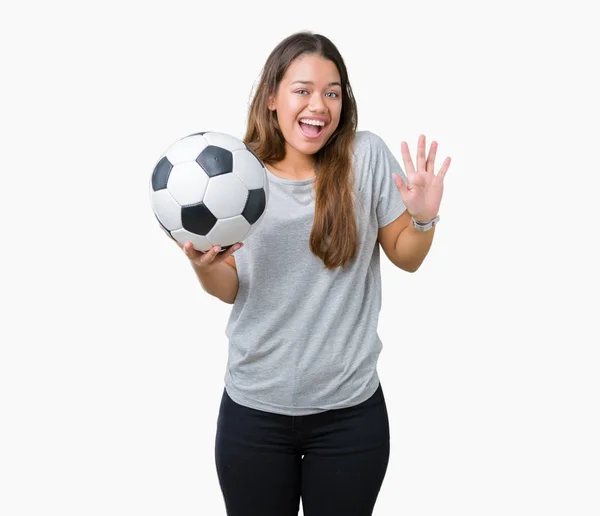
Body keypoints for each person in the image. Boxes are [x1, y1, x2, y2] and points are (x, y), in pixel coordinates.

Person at [172, 31, 450, 516]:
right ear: (273, 98)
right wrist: (204, 267)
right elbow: (231, 287)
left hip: (349, 416)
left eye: (332, 92)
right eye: (302, 89)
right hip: (254, 411)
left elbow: (407, 256)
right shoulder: (237, 174)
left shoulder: (364, 157)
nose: (317, 104)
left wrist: (423, 218)